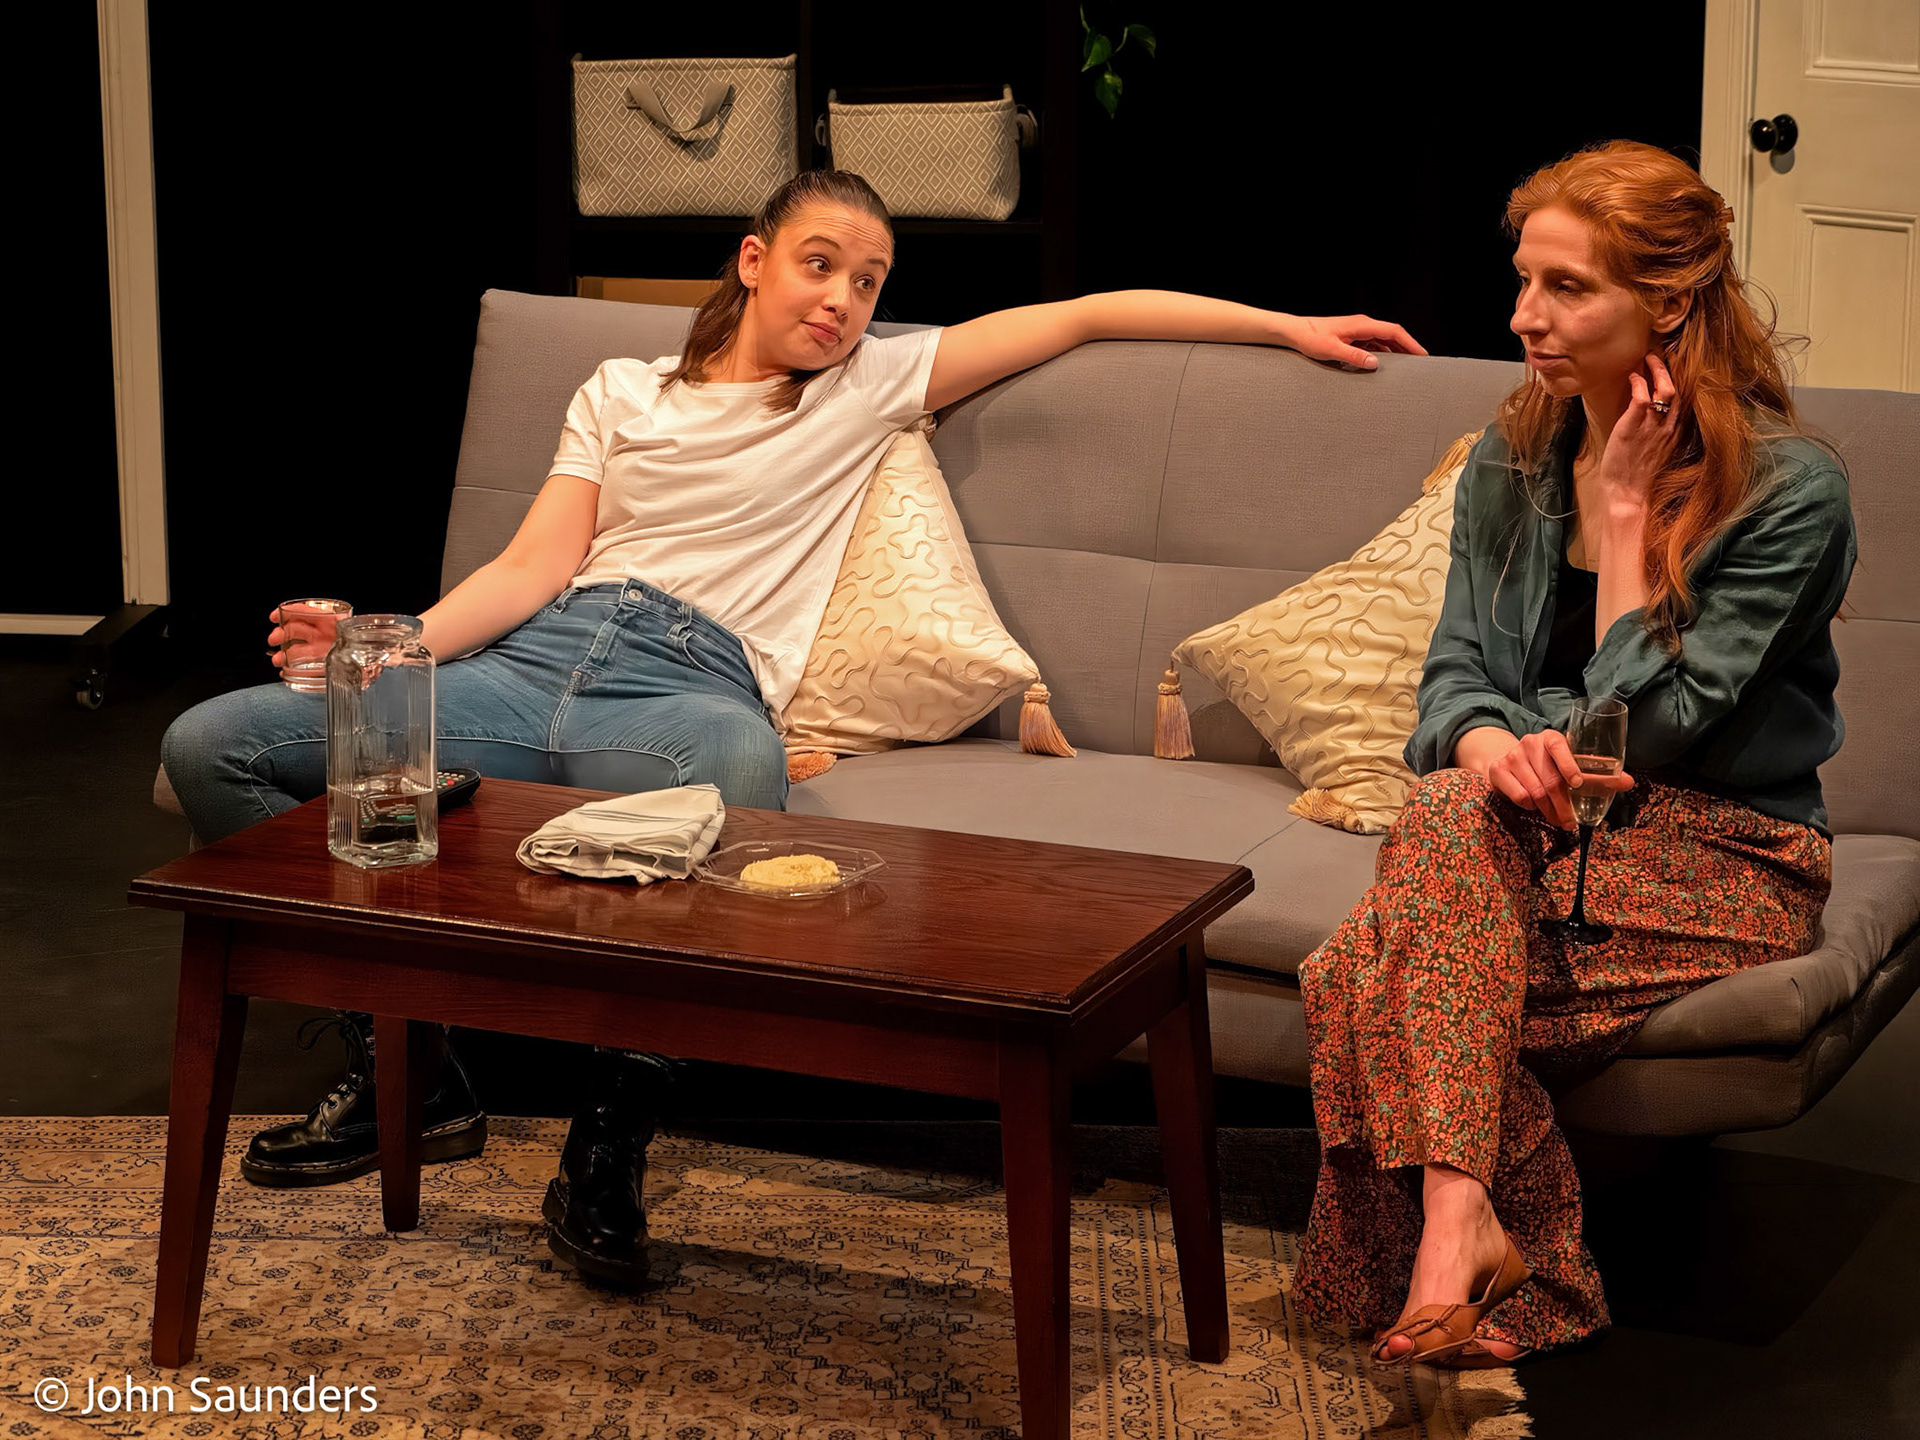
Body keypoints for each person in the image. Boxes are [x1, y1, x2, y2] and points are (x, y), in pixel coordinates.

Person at [160, 167, 1424, 1286]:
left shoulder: (869, 386)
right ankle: (410, 1060)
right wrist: (393, 649)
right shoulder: (622, 390)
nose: (843, 301)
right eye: (821, 266)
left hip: (685, 682)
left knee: (738, 766)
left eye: (870, 283)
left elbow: (1088, 315)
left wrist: (1287, 325)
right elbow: (533, 564)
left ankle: (607, 1141)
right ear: (754, 259)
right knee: (211, 745)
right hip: (530, 658)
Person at [1292, 140, 1855, 1367]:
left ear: (1668, 304)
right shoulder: (1510, 457)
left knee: (1363, 971)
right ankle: (1471, 1231)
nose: (1523, 316)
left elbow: (1646, 732)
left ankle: (1483, 1250)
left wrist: (1628, 510)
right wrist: (1493, 744)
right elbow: (1449, 683)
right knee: (1449, 806)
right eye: (1523, 280)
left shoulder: (1790, 493)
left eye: (1566, 288)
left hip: (1725, 850)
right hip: (1529, 836)